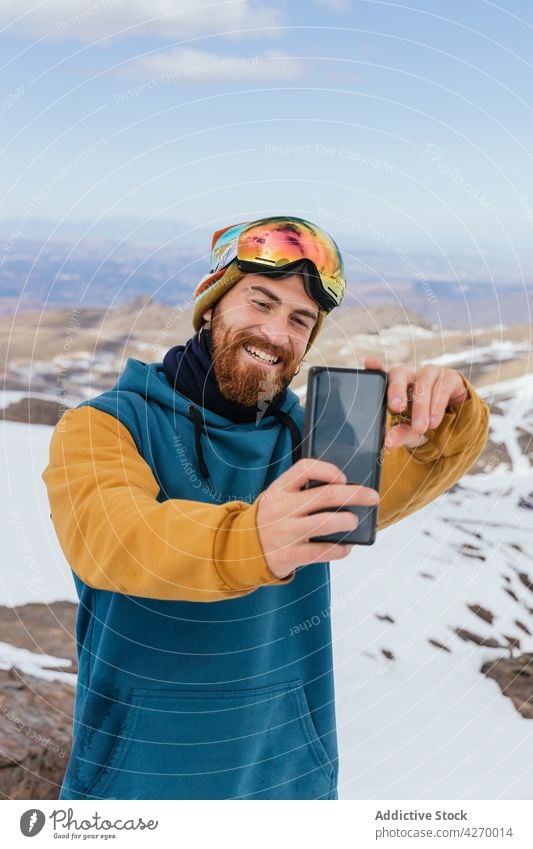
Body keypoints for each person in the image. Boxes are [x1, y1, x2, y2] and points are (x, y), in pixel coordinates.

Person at [43, 215, 489, 800]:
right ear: (211, 306)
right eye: (260, 302)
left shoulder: (310, 438)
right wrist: (253, 538)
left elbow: (411, 474)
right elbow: (115, 539)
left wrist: (449, 421)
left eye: (300, 320)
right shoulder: (105, 426)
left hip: (289, 787)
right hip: (138, 789)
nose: (278, 332)